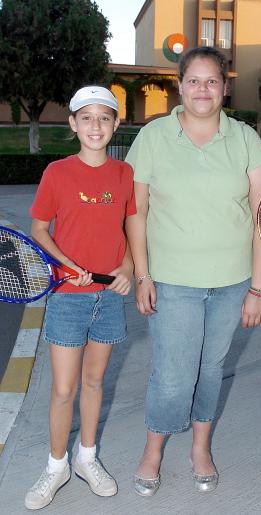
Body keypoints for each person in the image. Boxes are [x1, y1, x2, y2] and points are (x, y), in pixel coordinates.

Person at [125, 46, 261, 496]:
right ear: (180, 85)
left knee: (211, 369)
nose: (202, 89)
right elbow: (137, 212)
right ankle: (153, 450)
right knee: (172, 374)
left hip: (232, 282)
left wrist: (260, 288)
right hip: (172, 281)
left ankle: (201, 448)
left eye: (212, 81)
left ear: (225, 88)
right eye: (194, 80)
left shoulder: (245, 137)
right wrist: (143, 275)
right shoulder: (153, 137)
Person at [24, 86, 136, 510]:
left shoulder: (124, 175)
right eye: (86, 118)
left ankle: (87, 458)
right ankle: (57, 466)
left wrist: (126, 269)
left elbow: (130, 231)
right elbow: (38, 229)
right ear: (72, 124)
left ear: (115, 124)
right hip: (68, 297)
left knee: (94, 382)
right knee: (64, 389)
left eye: (104, 118)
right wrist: (66, 263)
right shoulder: (57, 172)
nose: (95, 126)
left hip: (108, 298)